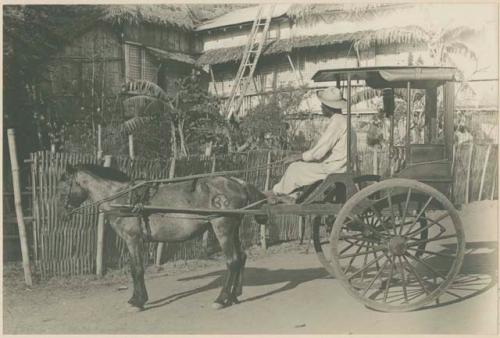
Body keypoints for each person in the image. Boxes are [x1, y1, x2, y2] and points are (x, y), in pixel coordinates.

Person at [268, 87, 357, 203]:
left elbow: (320, 151)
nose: (321, 108)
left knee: (295, 168)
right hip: (340, 165)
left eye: (322, 105)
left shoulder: (337, 122)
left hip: (334, 168)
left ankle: (277, 193)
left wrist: (298, 156)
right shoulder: (343, 121)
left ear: (328, 107)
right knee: (303, 167)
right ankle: (292, 194)